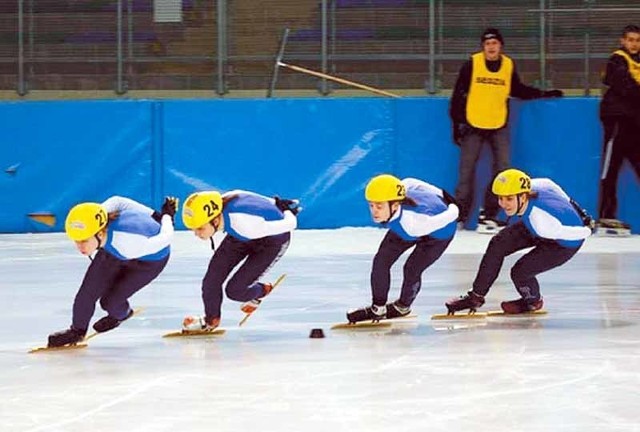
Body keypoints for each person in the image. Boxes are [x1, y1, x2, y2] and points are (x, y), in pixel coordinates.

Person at [450, 27, 564, 234]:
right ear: (483, 47)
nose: (491, 47)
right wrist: (456, 125)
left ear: (500, 46)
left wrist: (543, 93)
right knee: (466, 172)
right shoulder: (472, 64)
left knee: (502, 170)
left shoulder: (508, 66)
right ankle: (460, 215)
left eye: (494, 44)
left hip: (498, 124)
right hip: (473, 124)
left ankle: (489, 214)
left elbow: (517, 89)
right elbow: (458, 94)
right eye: (487, 44)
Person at [445, 169, 592, 315]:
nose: (503, 204)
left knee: (520, 272)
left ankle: (533, 301)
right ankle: (476, 297)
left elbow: (569, 233)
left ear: (523, 197)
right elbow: (550, 183)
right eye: (500, 198)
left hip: (564, 243)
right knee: (498, 243)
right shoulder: (535, 186)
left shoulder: (541, 222)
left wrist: (586, 229)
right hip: (539, 226)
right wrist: (575, 207)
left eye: (509, 199)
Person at [47, 196, 177, 347]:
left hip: (149, 261)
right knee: (87, 293)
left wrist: (166, 217)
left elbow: (166, 238)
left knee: (110, 302)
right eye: (76, 241)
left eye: (84, 241)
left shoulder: (128, 243)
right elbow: (118, 201)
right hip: (113, 251)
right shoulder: (96, 217)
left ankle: (122, 314)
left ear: (100, 233)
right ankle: (77, 331)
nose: (80, 247)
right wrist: (154, 214)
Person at [346, 174, 459, 323]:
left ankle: (403, 307)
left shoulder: (413, 224)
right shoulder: (399, 191)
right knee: (381, 261)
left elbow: (450, 216)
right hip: (411, 224)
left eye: (379, 206)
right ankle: (378, 308)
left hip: (439, 232)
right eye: (371, 205)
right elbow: (410, 181)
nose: (374, 211)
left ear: (394, 205)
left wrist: (453, 206)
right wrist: (441, 193)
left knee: (412, 268)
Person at [181, 190, 299, 331]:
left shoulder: (245, 224)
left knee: (235, 291)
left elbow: (291, 224)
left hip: (271, 242)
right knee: (211, 281)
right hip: (240, 237)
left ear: (216, 219)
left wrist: (285, 210)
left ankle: (262, 290)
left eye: (200, 228)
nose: (196, 234)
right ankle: (211, 320)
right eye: (193, 229)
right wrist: (274, 202)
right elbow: (244, 194)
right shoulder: (222, 201)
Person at [596, 24, 640, 236]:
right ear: (623, 41)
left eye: (637, 40)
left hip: (634, 125)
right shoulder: (617, 59)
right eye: (630, 39)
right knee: (610, 169)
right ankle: (606, 215)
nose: (634, 44)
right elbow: (625, 85)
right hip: (617, 122)